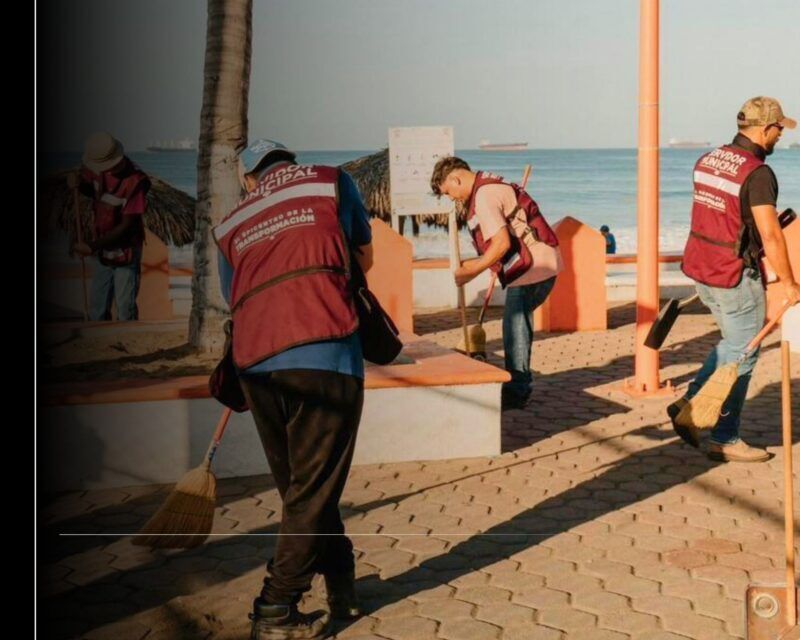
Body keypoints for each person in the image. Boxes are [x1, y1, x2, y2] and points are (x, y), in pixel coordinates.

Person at [215, 139, 372, 639]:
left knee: (302, 488)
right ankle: (275, 610)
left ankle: (342, 584)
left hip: (256, 362)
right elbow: (363, 256)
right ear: (291, 163)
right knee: (311, 490)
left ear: (248, 179)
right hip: (324, 353)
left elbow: (234, 295)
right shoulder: (329, 181)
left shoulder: (232, 222)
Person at [669, 97, 800, 462]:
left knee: (733, 342)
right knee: (745, 352)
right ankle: (724, 437)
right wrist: (789, 283)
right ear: (763, 129)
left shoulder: (708, 159)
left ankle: (691, 401)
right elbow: (770, 234)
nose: (778, 136)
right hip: (733, 275)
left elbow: (720, 216)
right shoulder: (758, 173)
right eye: (777, 129)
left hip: (701, 267)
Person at [430, 157, 562, 409]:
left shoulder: (483, 197)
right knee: (516, 324)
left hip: (534, 267)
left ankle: (517, 390)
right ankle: (517, 385)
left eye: (449, 192)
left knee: (516, 328)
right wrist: (491, 264)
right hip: (541, 262)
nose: (452, 198)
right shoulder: (490, 185)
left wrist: (471, 271)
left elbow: (501, 243)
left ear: (456, 179)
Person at [68, 132, 150, 321]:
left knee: (125, 306)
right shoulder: (96, 172)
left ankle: (128, 343)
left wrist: (92, 246)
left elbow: (126, 226)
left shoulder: (136, 182)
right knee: (98, 303)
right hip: (103, 246)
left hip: (126, 247)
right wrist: (79, 185)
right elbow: (96, 194)